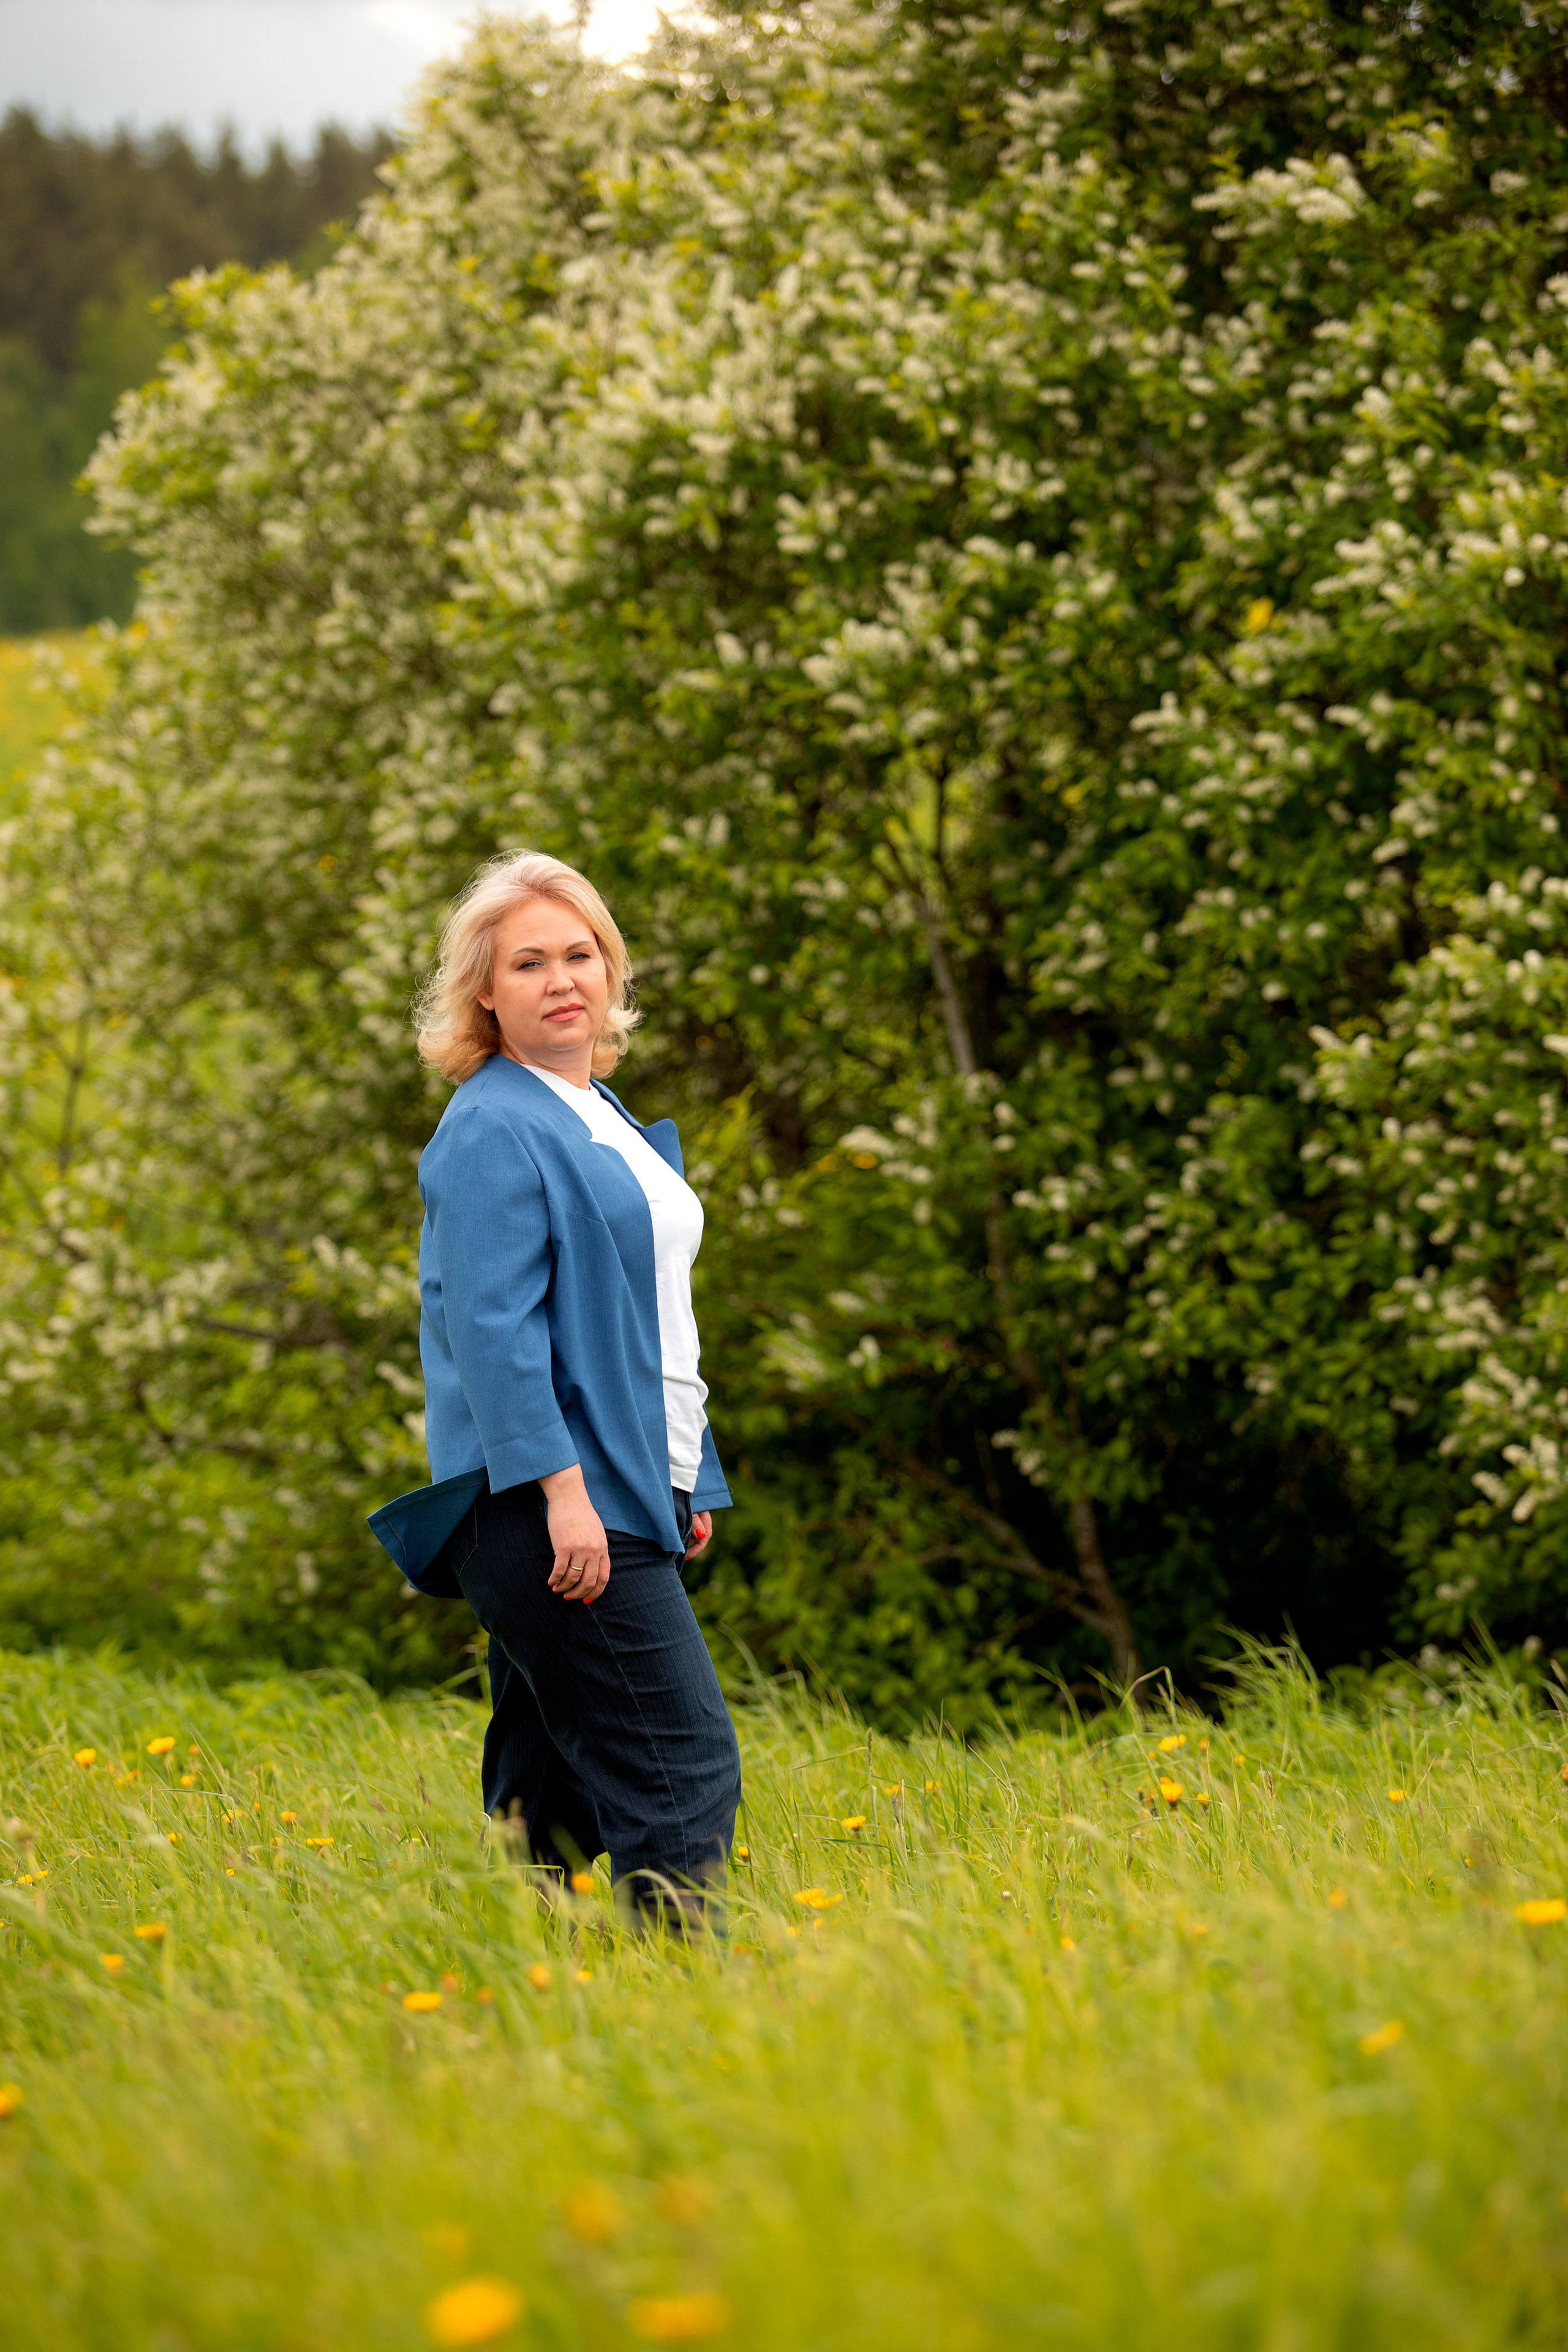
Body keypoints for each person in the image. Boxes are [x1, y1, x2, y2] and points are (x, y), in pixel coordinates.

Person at [368, 851, 741, 1922]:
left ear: (610, 968)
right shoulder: (494, 1124)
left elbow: (653, 1319)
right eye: (528, 962)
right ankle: (682, 1996)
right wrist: (565, 1494)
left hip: (621, 1491)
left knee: (552, 1781)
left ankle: (539, 1977)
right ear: (484, 990)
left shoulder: (594, 1110)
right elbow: (493, 1335)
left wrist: (684, 1481)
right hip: (550, 1505)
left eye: (580, 954)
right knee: (680, 1766)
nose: (562, 979)